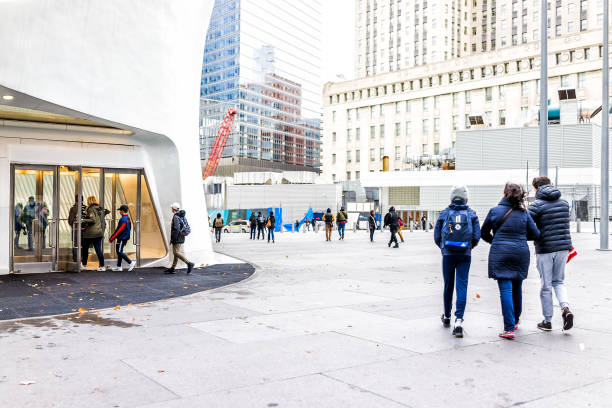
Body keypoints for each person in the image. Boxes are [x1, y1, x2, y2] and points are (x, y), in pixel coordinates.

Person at [481, 183, 540, 340]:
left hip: (500, 252)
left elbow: (483, 232)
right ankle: (515, 322)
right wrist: (519, 236)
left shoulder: (494, 211)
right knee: (517, 287)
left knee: (506, 290)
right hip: (520, 253)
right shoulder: (524, 213)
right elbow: (535, 234)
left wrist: (496, 241)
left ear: (505, 193)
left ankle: (508, 328)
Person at [434, 185, 481, 338]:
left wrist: (443, 248)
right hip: (464, 254)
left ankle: (447, 316)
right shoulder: (471, 213)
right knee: (462, 286)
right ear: (466, 197)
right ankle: (459, 321)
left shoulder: (445, 213)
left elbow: (436, 236)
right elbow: (476, 237)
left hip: (448, 254)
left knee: (448, 285)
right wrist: (468, 248)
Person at [528, 176, 574, 331]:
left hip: (545, 248)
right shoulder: (564, 203)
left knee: (546, 285)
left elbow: (527, 225)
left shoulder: (536, 205)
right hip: (563, 248)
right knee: (559, 281)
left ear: (536, 188)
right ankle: (565, 308)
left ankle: (547, 321)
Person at [81, 196, 110, 271]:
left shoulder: (90, 209)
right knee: (98, 250)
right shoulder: (99, 209)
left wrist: (83, 220)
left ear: (89, 201)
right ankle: (102, 266)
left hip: (90, 233)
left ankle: (84, 265)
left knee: (85, 249)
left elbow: (93, 220)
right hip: (98, 232)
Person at [165, 202, 194, 274]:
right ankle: (172, 268)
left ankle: (189, 263)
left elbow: (176, 229)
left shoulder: (175, 217)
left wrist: (173, 239)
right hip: (181, 237)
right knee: (176, 252)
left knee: (176, 252)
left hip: (177, 237)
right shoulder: (182, 215)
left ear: (173, 209)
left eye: (172, 208)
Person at [109, 204, 135, 271]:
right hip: (124, 237)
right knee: (119, 251)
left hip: (122, 238)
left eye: (120, 211)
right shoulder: (128, 218)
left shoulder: (123, 219)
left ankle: (131, 262)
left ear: (122, 211)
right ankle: (119, 267)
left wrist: (112, 238)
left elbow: (119, 230)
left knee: (119, 251)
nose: (119, 212)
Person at [68, 195, 85, 262]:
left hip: (76, 230)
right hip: (84, 231)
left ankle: (75, 260)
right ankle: (83, 261)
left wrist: (73, 225)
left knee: (75, 245)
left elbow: (70, 221)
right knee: (83, 245)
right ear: (82, 200)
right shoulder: (86, 208)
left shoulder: (73, 209)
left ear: (75, 200)